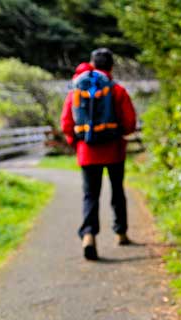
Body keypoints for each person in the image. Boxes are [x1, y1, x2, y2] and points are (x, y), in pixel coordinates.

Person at [60, 48, 137, 261]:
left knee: (90, 195)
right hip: (114, 150)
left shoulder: (77, 89)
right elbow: (130, 123)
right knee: (117, 192)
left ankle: (88, 235)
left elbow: (66, 122)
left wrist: (76, 142)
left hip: (87, 151)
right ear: (112, 66)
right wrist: (118, 132)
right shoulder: (117, 90)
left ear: (92, 64)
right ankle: (121, 233)